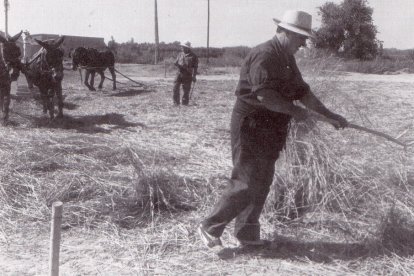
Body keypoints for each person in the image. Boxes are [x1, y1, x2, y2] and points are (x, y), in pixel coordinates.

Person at [198, 10, 348, 249]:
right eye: (301, 39)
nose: (303, 44)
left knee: (263, 180)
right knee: (246, 180)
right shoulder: (264, 54)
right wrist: (295, 112)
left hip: (272, 127)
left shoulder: (287, 58)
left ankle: (247, 234)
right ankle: (210, 227)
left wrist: (330, 116)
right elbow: (266, 96)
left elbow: (303, 93)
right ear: (287, 33)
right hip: (251, 124)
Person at [172, 41, 198, 106]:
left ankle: (185, 103)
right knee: (175, 88)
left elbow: (195, 67)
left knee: (186, 90)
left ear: (188, 48)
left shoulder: (194, 56)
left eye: (184, 47)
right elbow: (176, 62)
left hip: (187, 75)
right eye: (182, 47)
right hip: (179, 73)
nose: (182, 48)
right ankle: (176, 103)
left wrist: (194, 76)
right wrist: (176, 64)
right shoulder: (180, 54)